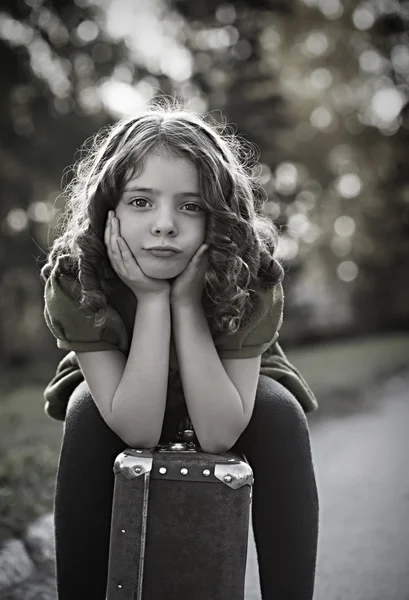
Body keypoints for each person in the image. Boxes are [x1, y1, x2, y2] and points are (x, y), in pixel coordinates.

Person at [41, 98, 319, 599]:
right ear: (110, 210)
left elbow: (219, 433)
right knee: (86, 411)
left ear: (219, 216)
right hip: (125, 387)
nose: (164, 224)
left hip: (226, 388)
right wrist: (151, 301)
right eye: (141, 202)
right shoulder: (79, 275)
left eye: (190, 206)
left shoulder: (247, 272)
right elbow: (139, 428)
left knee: (281, 415)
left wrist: (187, 306)